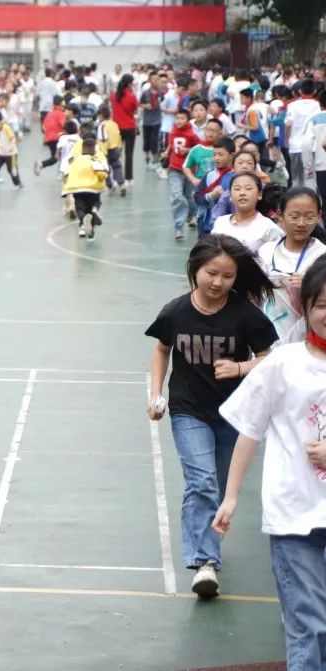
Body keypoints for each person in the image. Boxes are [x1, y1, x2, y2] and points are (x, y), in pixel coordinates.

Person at [145, 234, 278, 598]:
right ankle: (205, 562)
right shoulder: (175, 312)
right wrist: (155, 393)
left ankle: (206, 547)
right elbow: (161, 351)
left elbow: (270, 357)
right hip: (188, 409)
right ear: (195, 270)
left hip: (234, 414)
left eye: (228, 276)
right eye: (211, 273)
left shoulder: (245, 315)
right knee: (201, 482)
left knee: (217, 488)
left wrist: (240, 367)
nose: (218, 282)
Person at [212, 257, 326, 669]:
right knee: (308, 624)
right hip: (294, 513)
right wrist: (230, 496)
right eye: (323, 304)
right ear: (307, 305)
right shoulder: (283, 363)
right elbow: (250, 428)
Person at [258, 188, 326, 343]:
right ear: (280, 215)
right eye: (294, 217)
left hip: (307, 339)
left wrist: (311, 285)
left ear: (318, 217)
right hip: (268, 335)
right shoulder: (266, 251)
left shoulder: (322, 255)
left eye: (309, 217)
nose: (301, 223)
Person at [210, 172, 283, 254]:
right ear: (230, 195)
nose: (242, 193)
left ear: (259, 194)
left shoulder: (269, 228)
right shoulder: (220, 222)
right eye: (237, 189)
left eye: (248, 188)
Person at [162, 108, 202, 241]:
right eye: (177, 118)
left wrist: (189, 150)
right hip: (174, 168)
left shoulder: (191, 134)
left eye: (182, 118)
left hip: (189, 170)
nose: (179, 121)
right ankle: (178, 226)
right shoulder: (172, 132)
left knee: (189, 196)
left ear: (187, 120)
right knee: (177, 195)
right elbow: (171, 144)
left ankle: (193, 215)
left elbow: (199, 149)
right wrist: (166, 152)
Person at [62, 137, 108, 241]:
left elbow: (66, 175)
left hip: (78, 189)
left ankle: (83, 220)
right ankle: (94, 215)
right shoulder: (94, 160)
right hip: (92, 188)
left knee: (80, 208)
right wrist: (102, 179)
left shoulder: (75, 162)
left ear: (82, 149)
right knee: (95, 203)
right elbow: (102, 174)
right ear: (94, 150)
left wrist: (66, 190)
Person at [111, 73, 139, 186]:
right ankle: (128, 178)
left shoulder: (113, 96)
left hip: (117, 128)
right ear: (129, 84)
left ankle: (116, 177)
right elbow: (135, 110)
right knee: (129, 154)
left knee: (116, 153)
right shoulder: (132, 97)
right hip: (129, 127)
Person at [0, 111, 22, 190]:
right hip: (1, 153)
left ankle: (17, 184)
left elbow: (13, 138)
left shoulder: (5, 127)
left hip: (11, 153)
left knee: (11, 170)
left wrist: (12, 147)